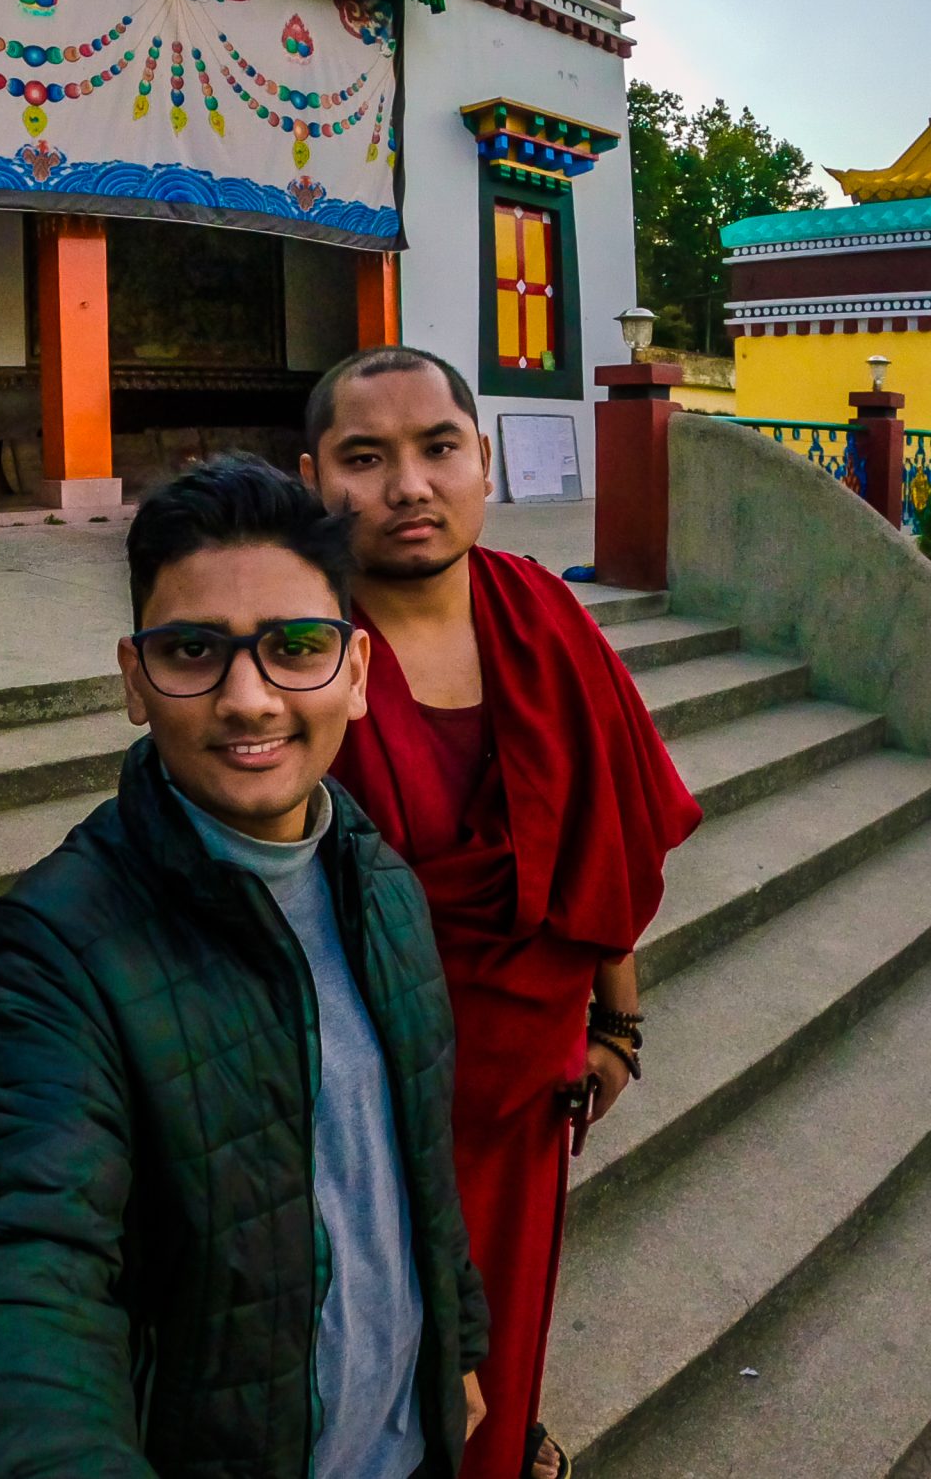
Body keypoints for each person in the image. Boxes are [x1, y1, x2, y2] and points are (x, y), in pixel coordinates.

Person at [0, 455, 488, 1479]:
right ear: (134, 680)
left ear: (355, 672)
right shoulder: (56, 949)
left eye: (296, 646)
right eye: (191, 650)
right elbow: (17, 1264)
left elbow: (415, 1164)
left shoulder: (379, 877)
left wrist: (458, 1343)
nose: (249, 698)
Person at [303, 348, 703, 1479]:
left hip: (529, 1079)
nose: (408, 486)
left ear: (482, 462)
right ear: (312, 476)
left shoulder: (542, 615)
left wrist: (617, 1018)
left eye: (437, 449)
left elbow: (608, 830)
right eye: (364, 457)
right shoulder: (298, 649)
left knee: (509, 1315)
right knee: (386, 1363)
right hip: (367, 1110)